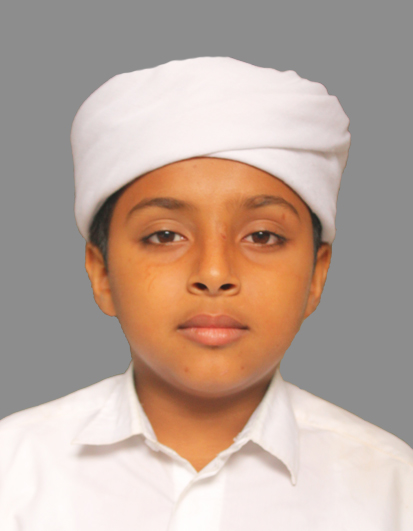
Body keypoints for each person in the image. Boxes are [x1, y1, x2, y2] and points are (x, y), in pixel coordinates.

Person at [0, 57, 411, 530]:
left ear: (316, 275)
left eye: (262, 236)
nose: (214, 274)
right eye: (165, 235)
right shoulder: (14, 471)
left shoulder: (393, 488)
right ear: (102, 272)